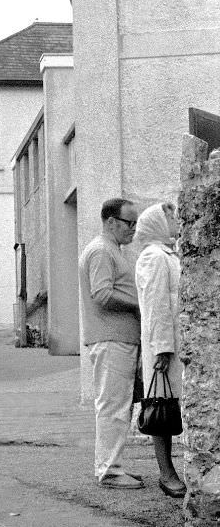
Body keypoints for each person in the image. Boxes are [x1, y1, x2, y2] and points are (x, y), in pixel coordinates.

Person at [78, 198, 143, 489]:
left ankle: (112, 466)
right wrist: (140, 303)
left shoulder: (110, 250)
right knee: (113, 407)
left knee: (119, 405)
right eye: (130, 223)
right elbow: (102, 295)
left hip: (116, 338)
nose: (134, 229)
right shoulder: (102, 250)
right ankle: (110, 471)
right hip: (111, 339)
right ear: (111, 222)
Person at [134, 202, 186, 498]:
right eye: (171, 217)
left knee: (171, 405)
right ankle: (166, 473)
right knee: (161, 408)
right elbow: (155, 306)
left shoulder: (168, 255)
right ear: (157, 224)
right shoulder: (153, 257)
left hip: (174, 344)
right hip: (164, 347)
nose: (177, 221)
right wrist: (163, 349)